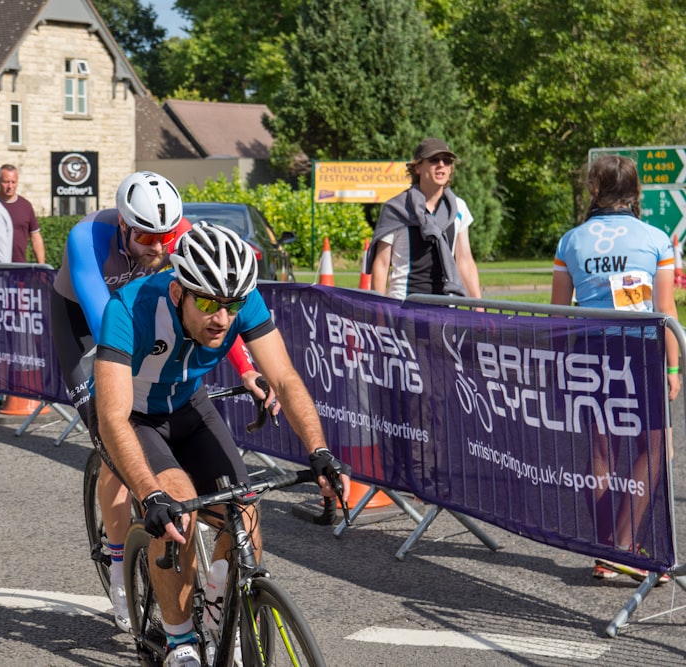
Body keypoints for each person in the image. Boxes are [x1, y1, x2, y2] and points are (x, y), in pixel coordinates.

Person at [94, 223, 350, 665]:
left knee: (244, 511)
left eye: (231, 306)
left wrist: (320, 452)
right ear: (179, 293)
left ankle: (217, 606)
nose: (222, 318)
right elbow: (112, 417)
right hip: (136, 417)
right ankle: (179, 643)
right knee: (179, 507)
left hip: (189, 405)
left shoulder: (240, 300)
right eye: (209, 303)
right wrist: (148, 492)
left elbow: (285, 380)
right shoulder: (129, 309)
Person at [51, 171, 272, 633]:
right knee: (115, 444)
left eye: (168, 235)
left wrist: (246, 367)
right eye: (148, 237)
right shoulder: (87, 237)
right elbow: (108, 322)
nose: (160, 246)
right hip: (90, 326)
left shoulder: (182, 238)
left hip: (139, 318)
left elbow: (212, 307)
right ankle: (118, 569)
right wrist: (126, 412)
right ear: (124, 229)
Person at [551, 154, 680, 584]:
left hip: (588, 350)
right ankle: (625, 548)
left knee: (601, 451)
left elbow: (556, 313)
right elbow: (665, 310)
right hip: (639, 349)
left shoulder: (571, 240)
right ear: (635, 192)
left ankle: (608, 550)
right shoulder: (656, 238)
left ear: (594, 189)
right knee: (654, 447)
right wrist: (675, 367)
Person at [368, 138, 482, 300]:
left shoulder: (459, 208)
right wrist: (378, 309)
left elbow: (465, 260)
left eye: (447, 161)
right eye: (434, 159)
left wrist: (478, 304)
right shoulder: (396, 208)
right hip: (404, 307)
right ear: (418, 167)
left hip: (447, 307)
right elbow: (382, 263)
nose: (441, 164)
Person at [0, 164, 46, 264]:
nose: (10, 186)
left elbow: (35, 237)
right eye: (6, 182)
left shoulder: (25, 206)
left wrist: (42, 267)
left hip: (19, 268)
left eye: (13, 182)